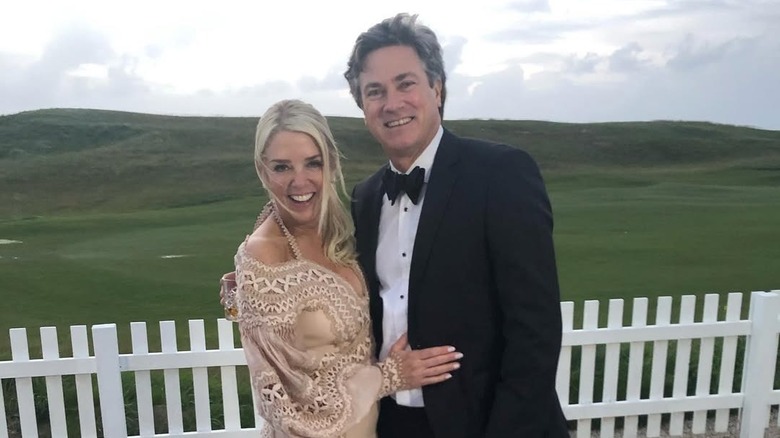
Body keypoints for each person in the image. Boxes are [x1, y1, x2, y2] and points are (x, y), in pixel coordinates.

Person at [344, 13, 569, 438]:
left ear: (437, 88)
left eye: (405, 83)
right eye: (375, 91)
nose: (392, 103)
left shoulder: (500, 174)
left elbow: (535, 332)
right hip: (392, 424)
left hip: (487, 425)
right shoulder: (365, 197)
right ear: (363, 107)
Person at [219, 99, 462, 438]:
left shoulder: (342, 229)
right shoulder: (265, 256)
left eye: (312, 163)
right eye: (282, 167)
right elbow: (284, 405)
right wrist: (388, 376)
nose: (299, 181)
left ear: (330, 163)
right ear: (263, 171)